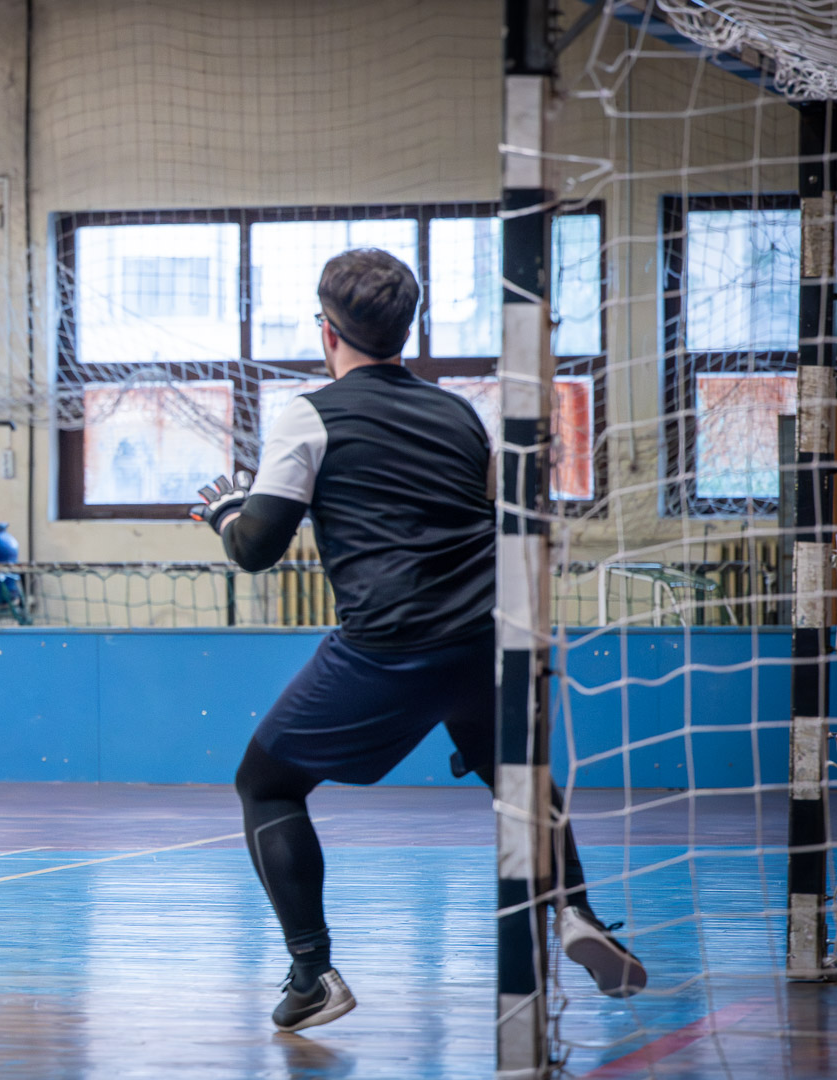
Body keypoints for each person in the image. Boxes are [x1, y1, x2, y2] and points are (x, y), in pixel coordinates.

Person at [189, 248, 645, 1033]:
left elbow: (257, 548)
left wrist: (227, 510)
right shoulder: (457, 413)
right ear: (409, 329)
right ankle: (576, 912)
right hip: (487, 637)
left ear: (326, 331)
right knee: (516, 777)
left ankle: (311, 975)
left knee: (264, 784)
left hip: (389, 644)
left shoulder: (309, 413)